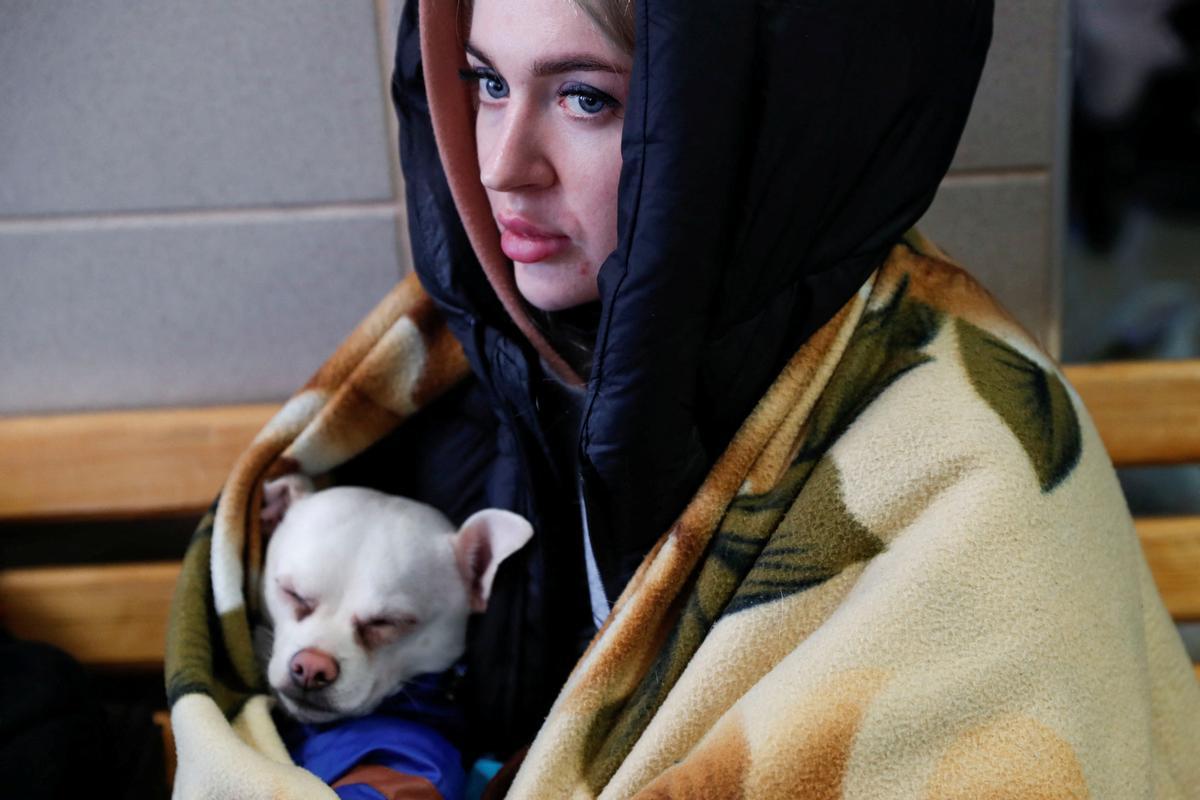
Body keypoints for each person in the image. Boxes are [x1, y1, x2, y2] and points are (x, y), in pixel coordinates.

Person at [164, 0, 1199, 796]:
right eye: (482, 82)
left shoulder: (974, 451)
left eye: (587, 98)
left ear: (753, 135)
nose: (499, 167)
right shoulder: (464, 364)